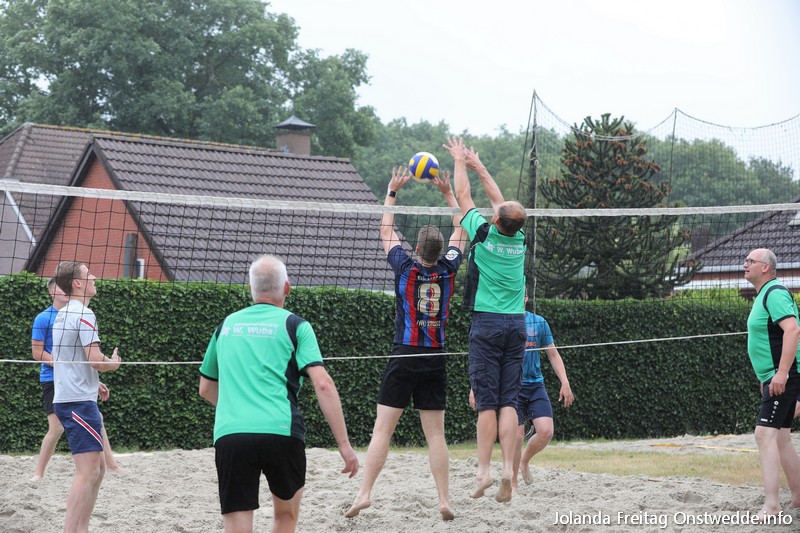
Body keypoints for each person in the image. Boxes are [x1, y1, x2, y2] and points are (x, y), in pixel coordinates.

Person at [199, 254, 359, 533]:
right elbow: (323, 384)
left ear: (250, 288)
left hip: (232, 434)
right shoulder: (296, 326)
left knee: (237, 524)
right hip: (282, 431)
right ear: (287, 287)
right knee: (285, 516)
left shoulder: (225, 326)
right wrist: (344, 445)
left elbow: (206, 388)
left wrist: (237, 409)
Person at [345, 166, 467, 521]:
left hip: (405, 353)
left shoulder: (405, 268)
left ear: (416, 249)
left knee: (382, 430)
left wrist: (392, 191)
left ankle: (364, 493)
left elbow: (385, 230)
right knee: (436, 435)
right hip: (435, 357)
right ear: (441, 250)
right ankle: (444, 500)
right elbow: (461, 229)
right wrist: (448, 193)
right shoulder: (449, 269)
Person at [443, 136, 527, 503]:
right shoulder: (519, 238)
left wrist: (460, 160)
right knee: (509, 402)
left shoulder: (482, 232)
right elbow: (502, 204)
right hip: (516, 325)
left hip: (488, 325)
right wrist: (479, 165)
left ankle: (483, 472)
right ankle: (508, 468)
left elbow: (463, 196)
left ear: (495, 221)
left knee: (487, 403)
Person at [51, 261, 122, 533]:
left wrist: (94, 382)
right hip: (77, 402)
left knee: (99, 469)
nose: (94, 277)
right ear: (77, 283)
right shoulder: (83, 313)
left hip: (74, 396)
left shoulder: (62, 314)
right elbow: (94, 359)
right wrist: (112, 364)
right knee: (88, 472)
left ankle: (81, 528)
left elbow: (70, 359)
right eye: (88, 274)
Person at [31, 277, 122, 481]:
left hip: (73, 376)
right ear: (52, 292)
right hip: (52, 378)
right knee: (56, 428)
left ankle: (112, 465)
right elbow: (37, 353)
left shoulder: (76, 314)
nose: (65, 291)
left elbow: (82, 357)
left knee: (97, 418)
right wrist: (67, 368)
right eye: (60, 288)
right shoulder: (44, 318)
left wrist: (91, 380)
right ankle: (39, 472)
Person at [742, 248, 800, 521]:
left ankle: (772, 505)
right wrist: (766, 376)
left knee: (764, 435)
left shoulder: (774, 292)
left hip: (783, 376)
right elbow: (769, 339)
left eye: (750, 261)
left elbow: (793, 330)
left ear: (765, 267)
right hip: (775, 376)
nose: (745, 264)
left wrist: (781, 373)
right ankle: (798, 497)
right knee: (780, 437)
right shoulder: (764, 294)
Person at [512, 294, 574, 492]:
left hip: (535, 385)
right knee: (516, 436)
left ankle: (524, 461)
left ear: (526, 298)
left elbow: (553, 355)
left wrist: (565, 382)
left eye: (519, 294)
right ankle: (512, 482)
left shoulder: (538, 322)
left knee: (546, 431)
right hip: (512, 387)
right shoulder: (504, 321)